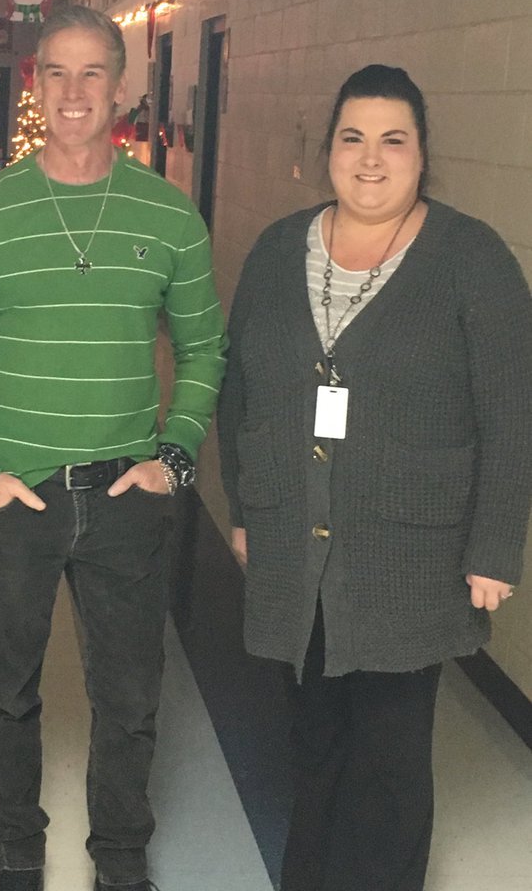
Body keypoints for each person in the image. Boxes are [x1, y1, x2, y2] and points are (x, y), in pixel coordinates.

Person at [0, 5, 226, 891]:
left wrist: (172, 458)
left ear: (123, 88)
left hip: (126, 496)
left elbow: (207, 349)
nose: (74, 91)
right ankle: (17, 843)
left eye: (93, 73)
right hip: (15, 493)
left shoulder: (170, 219)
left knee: (129, 699)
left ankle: (120, 857)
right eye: (56, 72)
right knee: (8, 686)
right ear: (34, 85)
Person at [218, 64, 532, 891]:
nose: (370, 159)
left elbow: (512, 411)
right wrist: (249, 505)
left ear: (423, 154)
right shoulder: (281, 248)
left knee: (390, 762)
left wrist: (495, 547)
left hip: (410, 556)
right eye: (353, 138)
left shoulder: (472, 258)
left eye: (394, 139)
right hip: (297, 546)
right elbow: (239, 384)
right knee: (315, 741)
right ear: (327, 151)